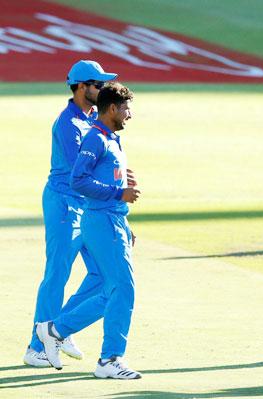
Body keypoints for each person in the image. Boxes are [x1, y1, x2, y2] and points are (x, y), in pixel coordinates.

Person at [36, 82, 143, 379]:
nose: (129, 115)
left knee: (113, 291)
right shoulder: (96, 139)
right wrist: (118, 195)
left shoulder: (111, 139)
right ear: (112, 109)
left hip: (114, 221)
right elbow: (78, 181)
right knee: (123, 288)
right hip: (102, 222)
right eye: (125, 109)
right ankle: (109, 360)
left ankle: (54, 329)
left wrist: (126, 220)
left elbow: (110, 181)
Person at [25, 60, 117, 367]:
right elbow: (83, 171)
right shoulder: (67, 123)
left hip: (88, 205)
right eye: (98, 85)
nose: (103, 90)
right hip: (65, 204)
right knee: (57, 274)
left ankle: (59, 328)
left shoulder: (93, 118)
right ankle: (37, 347)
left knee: (104, 274)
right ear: (81, 87)